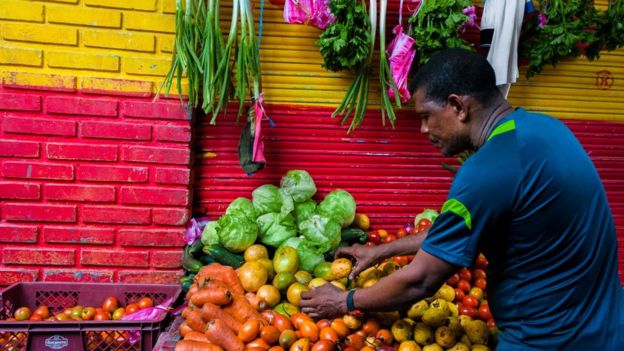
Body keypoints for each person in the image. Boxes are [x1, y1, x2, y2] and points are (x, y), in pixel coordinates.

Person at [299, 48, 624, 350]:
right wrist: (384, 250)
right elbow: (465, 229)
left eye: (426, 115)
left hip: (549, 340)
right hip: (607, 330)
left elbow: (421, 280)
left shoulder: (488, 169)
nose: (424, 129)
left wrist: (345, 301)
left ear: (458, 106)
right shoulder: (546, 130)